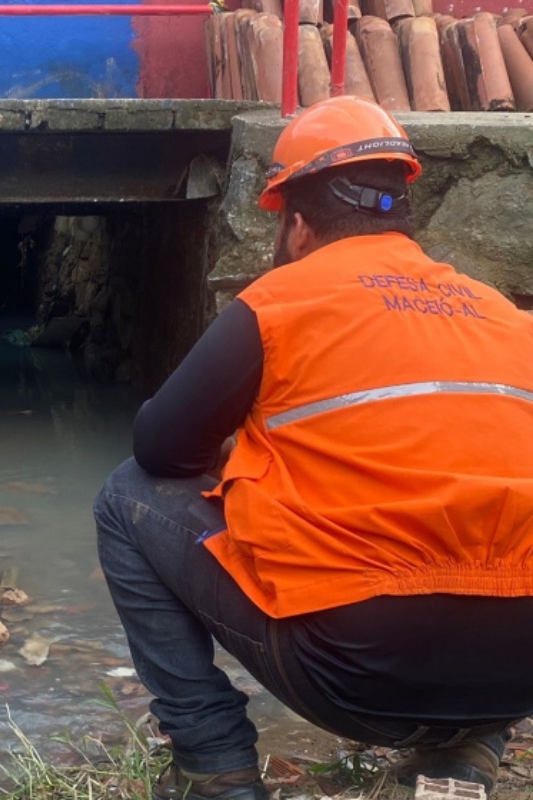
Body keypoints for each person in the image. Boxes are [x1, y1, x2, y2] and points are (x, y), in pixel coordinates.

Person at [94, 94, 533, 800]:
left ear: (296, 226)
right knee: (499, 545)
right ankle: (460, 761)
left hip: (352, 672)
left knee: (124, 498)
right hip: (520, 675)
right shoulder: (508, 319)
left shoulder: (278, 303)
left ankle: (216, 766)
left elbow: (161, 450)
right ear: (403, 209)